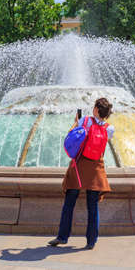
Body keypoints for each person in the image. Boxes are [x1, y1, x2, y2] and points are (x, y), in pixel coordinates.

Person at [49, 98, 114, 250]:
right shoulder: (110, 128)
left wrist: (75, 122)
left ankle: (62, 236)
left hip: (79, 167)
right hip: (96, 169)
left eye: (94, 107)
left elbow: (72, 136)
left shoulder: (85, 121)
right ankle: (91, 241)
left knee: (69, 203)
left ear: (96, 110)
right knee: (93, 206)